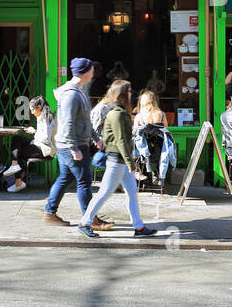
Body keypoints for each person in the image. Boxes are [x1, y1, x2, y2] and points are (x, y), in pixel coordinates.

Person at [78, 80, 159, 238]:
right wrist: (131, 164)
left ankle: (139, 227)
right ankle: (85, 222)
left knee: (131, 192)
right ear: (122, 95)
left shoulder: (118, 111)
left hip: (120, 160)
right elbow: (121, 140)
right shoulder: (117, 113)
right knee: (104, 193)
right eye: (128, 92)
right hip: (117, 160)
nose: (131, 94)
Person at [45, 58, 107, 227]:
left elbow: (84, 120)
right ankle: (90, 218)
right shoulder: (71, 94)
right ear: (86, 72)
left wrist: (95, 138)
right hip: (72, 145)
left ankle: (50, 213)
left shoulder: (78, 91)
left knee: (65, 178)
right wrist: (74, 148)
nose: (93, 73)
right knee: (85, 182)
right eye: (92, 70)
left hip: (71, 144)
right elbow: (68, 123)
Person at [2, 97, 56, 193]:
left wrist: (34, 131)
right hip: (39, 145)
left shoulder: (47, 118)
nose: (31, 112)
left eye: (32, 109)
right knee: (17, 139)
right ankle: (15, 167)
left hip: (44, 150)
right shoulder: (44, 116)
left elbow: (46, 139)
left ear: (39, 107)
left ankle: (18, 181)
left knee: (16, 152)